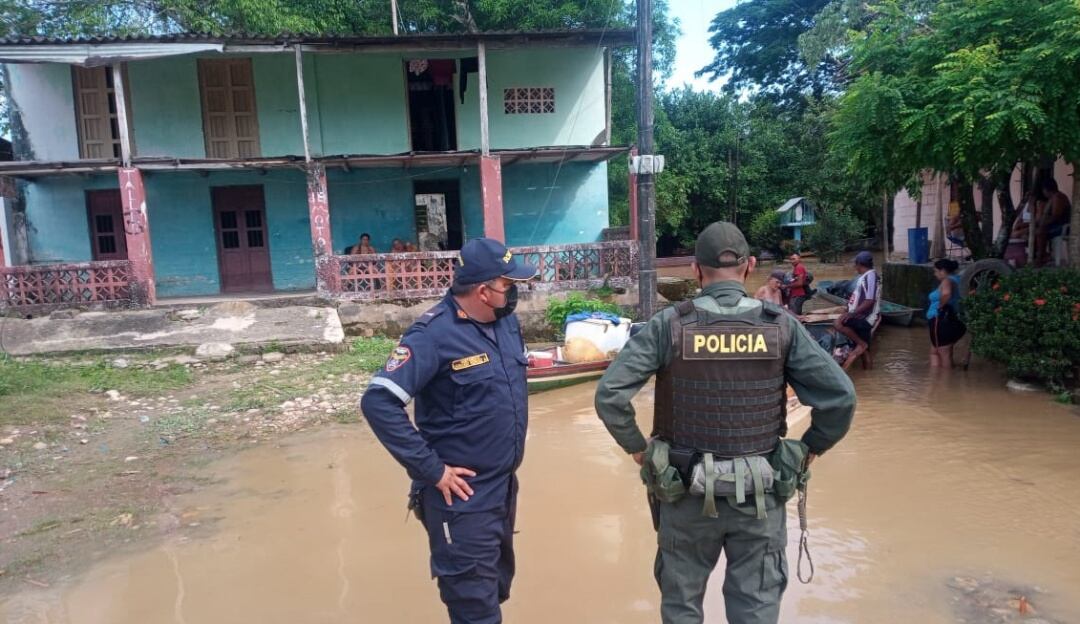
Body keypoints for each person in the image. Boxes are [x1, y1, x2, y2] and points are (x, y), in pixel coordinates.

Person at [594, 221, 856, 624]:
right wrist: (809, 450)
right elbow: (840, 398)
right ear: (750, 266)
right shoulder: (780, 325)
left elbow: (610, 395)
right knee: (755, 609)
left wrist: (638, 450)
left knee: (682, 608)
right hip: (762, 493)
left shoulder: (670, 325)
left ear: (696, 271)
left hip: (683, 492)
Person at [360, 238, 537, 624]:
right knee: (474, 608)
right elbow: (378, 403)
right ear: (482, 291)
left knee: (493, 590)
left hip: (503, 488)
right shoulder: (432, 336)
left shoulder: (506, 325)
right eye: (508, 285)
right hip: (462, 498)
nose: (515, 292)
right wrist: (432, 470)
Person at [834, 251, 880, 371]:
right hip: (862, 316)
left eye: (855, 264)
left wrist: (852, 313)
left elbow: (870, 300)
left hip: (864, 317)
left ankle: (861, 344)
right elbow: (863, 297)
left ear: (859, 264)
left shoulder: (870, 276)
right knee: (866, 352)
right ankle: (868, 379)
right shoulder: (867, 276)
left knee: (838, 323)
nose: (855, 267)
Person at [927, 258, 965, 367]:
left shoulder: (947, 280)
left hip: (942, 321)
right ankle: (938, 380)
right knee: (935, 351)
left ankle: (944, 381)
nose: (935, 274)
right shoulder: (958, 279)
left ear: (942, 270)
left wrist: (939, 307)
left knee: (943, 352)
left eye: (935, 271)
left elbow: (946, 294)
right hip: (952, 321)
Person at [1034, 177, 1072, 266]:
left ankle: (1041, 257)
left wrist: (1043, 224)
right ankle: (1043, 254)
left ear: (1046, 189)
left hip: (1062, 227)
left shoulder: (1058, 197)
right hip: (1055, 225)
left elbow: (1055, 216)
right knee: (1031, 231)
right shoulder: (1051, 199)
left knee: (1040, 232)